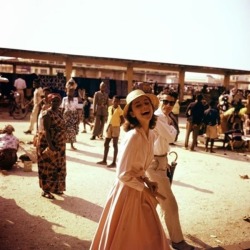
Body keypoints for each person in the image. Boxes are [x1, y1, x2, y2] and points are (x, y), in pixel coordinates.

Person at [90, 89, 170, 250]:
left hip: (139, 188)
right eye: (137, 105)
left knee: (148, 234)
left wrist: (148, 180)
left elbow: (136, 167)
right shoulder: (133, 136)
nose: (143, 107)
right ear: (132, 113)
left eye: (146, 103)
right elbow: (122, 174)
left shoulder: (151, 134)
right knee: (127, 236)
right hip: (127, 193)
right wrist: (145, 190)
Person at [146, 92, 194, 250]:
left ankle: (145, 234)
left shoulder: (165, 118)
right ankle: (177, 241)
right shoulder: (158, 117)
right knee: (169, 204)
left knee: (153, 201)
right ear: (159, 100)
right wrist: (171, 131)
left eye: (171, 103)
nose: (168, 105)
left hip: (161, 160)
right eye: (165, 101)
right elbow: (172, 136)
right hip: (153, 163)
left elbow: (171, 136)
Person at [37, 93, 66, 199]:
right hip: (49, 143)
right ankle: (45, 190)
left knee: (58, 167)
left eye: (58, 101)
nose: (56, 103)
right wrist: (50, 145)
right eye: (54, 101)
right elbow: (47, 131)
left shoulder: (59, 112)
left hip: (59, 144)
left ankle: (55, 187)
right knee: (47, 167)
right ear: (50, 102)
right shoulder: (47, 114)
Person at [97, 95, 124, 168]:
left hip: (116, 127)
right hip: (109, 127)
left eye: (117, 101)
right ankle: (104, 160)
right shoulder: (109, 108)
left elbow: (123, 121)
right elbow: (108, 117)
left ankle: (114, 162)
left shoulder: (120, 110)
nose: (115, 102)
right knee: (106, 143)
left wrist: (117, 126)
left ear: (119, 102)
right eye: (114, 100)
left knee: (115, 145)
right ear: (112, 101)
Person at [61, 80, 79, 150]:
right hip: (66, 117)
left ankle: (72, 145)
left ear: (74, 92)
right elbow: (62, 109)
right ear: (67, 92)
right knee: (64, 131)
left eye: (72, 91)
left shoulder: (75, 100)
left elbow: (77, 110)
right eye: (69, 91)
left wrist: (78, 118)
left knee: (72, 131)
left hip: (73, 117)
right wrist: (61, 117)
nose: (70, 92)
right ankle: (63, 145)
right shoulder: (64, 99)